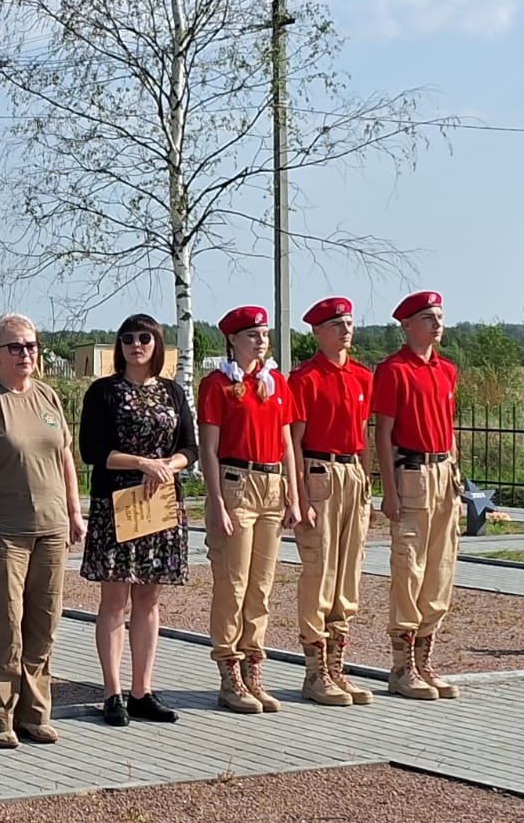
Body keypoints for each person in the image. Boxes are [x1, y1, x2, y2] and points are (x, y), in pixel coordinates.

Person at [0, 313, 85, 749]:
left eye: (31, 345)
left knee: (43, 625)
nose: (26, 353)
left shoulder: (47, 397)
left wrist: (74, 511)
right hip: (0, 533)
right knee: (4, 627)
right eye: (16, 347)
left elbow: (65, 457)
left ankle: (34, 713)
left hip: (50, 530)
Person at [77, 314, 196, 726]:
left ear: (157, 344)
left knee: (149, 599)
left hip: (160, 503)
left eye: (144, 337)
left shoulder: (172, 391)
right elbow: (92, 450)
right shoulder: (103, 392)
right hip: (118, 503)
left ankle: (142, 690)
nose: (136, 344)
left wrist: (167, 465)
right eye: (127, 338)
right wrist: (142, 462)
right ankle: (113, 692)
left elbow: (189, 448)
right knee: (115, 599)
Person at [197, 306, 299, 715]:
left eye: (264, 334)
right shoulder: (217, 385)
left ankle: (254, 663)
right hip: (237, 483)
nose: (260, 340)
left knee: (262, 585)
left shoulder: (276, 383)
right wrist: (217, 501)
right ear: (233, 340)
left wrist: (293, 494)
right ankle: (229, 668)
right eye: (252, 334)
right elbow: (208, 447)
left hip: (271, 485)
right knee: (233, 583)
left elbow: (287, 439)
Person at [374, 291, 461, 701]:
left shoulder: (446, 370)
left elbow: (449, 424)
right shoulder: (394, 370)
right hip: (412, 473)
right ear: (408, 325)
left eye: (440, 317)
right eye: (428, 317)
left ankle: (426, 655)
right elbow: (384, 433)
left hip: (443, 472)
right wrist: (388, 491)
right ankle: (402, 663)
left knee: (440, 568)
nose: (437, 324)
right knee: (410, 566)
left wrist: (456, 472)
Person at [289, 297, 375, 707]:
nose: (346, 331)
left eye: (349, 323)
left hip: (351, 473)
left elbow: (363, 435)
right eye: (336, 324)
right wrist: (299, 495)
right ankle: (314, 669)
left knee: (348, 575)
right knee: (320, 571)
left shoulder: (361, 376)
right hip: (319, 473)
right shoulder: (304, 379)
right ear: (317, 332)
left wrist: (367, 486)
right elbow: (296, 442)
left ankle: (337, 665)